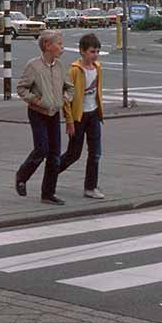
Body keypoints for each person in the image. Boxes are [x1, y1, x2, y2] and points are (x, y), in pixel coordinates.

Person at [15, 30, 70, 204]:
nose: (62, 47)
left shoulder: (60, 66)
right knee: (42, 149)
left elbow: (70, 87)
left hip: (54, 113)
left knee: (54, 154)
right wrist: (35, 100)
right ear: (47, 46)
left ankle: (48, 193)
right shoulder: (34, 66)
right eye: (59, 44)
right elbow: (22, 88)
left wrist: (65, 98)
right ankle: (22, 175)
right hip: (38, 112)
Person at [56, 33, 106, 199]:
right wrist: (69, 120)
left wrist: (100, 111)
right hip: (79, 117)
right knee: (73, 154)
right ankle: (51, 174)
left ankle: (90, 187)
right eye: (92, 51)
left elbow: (97, 91)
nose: (95, 55)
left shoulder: (98, 68)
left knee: (95, 153)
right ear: (82, 51)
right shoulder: (74, 71)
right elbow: (67, 98)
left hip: (93, 115)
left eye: (97, 51)